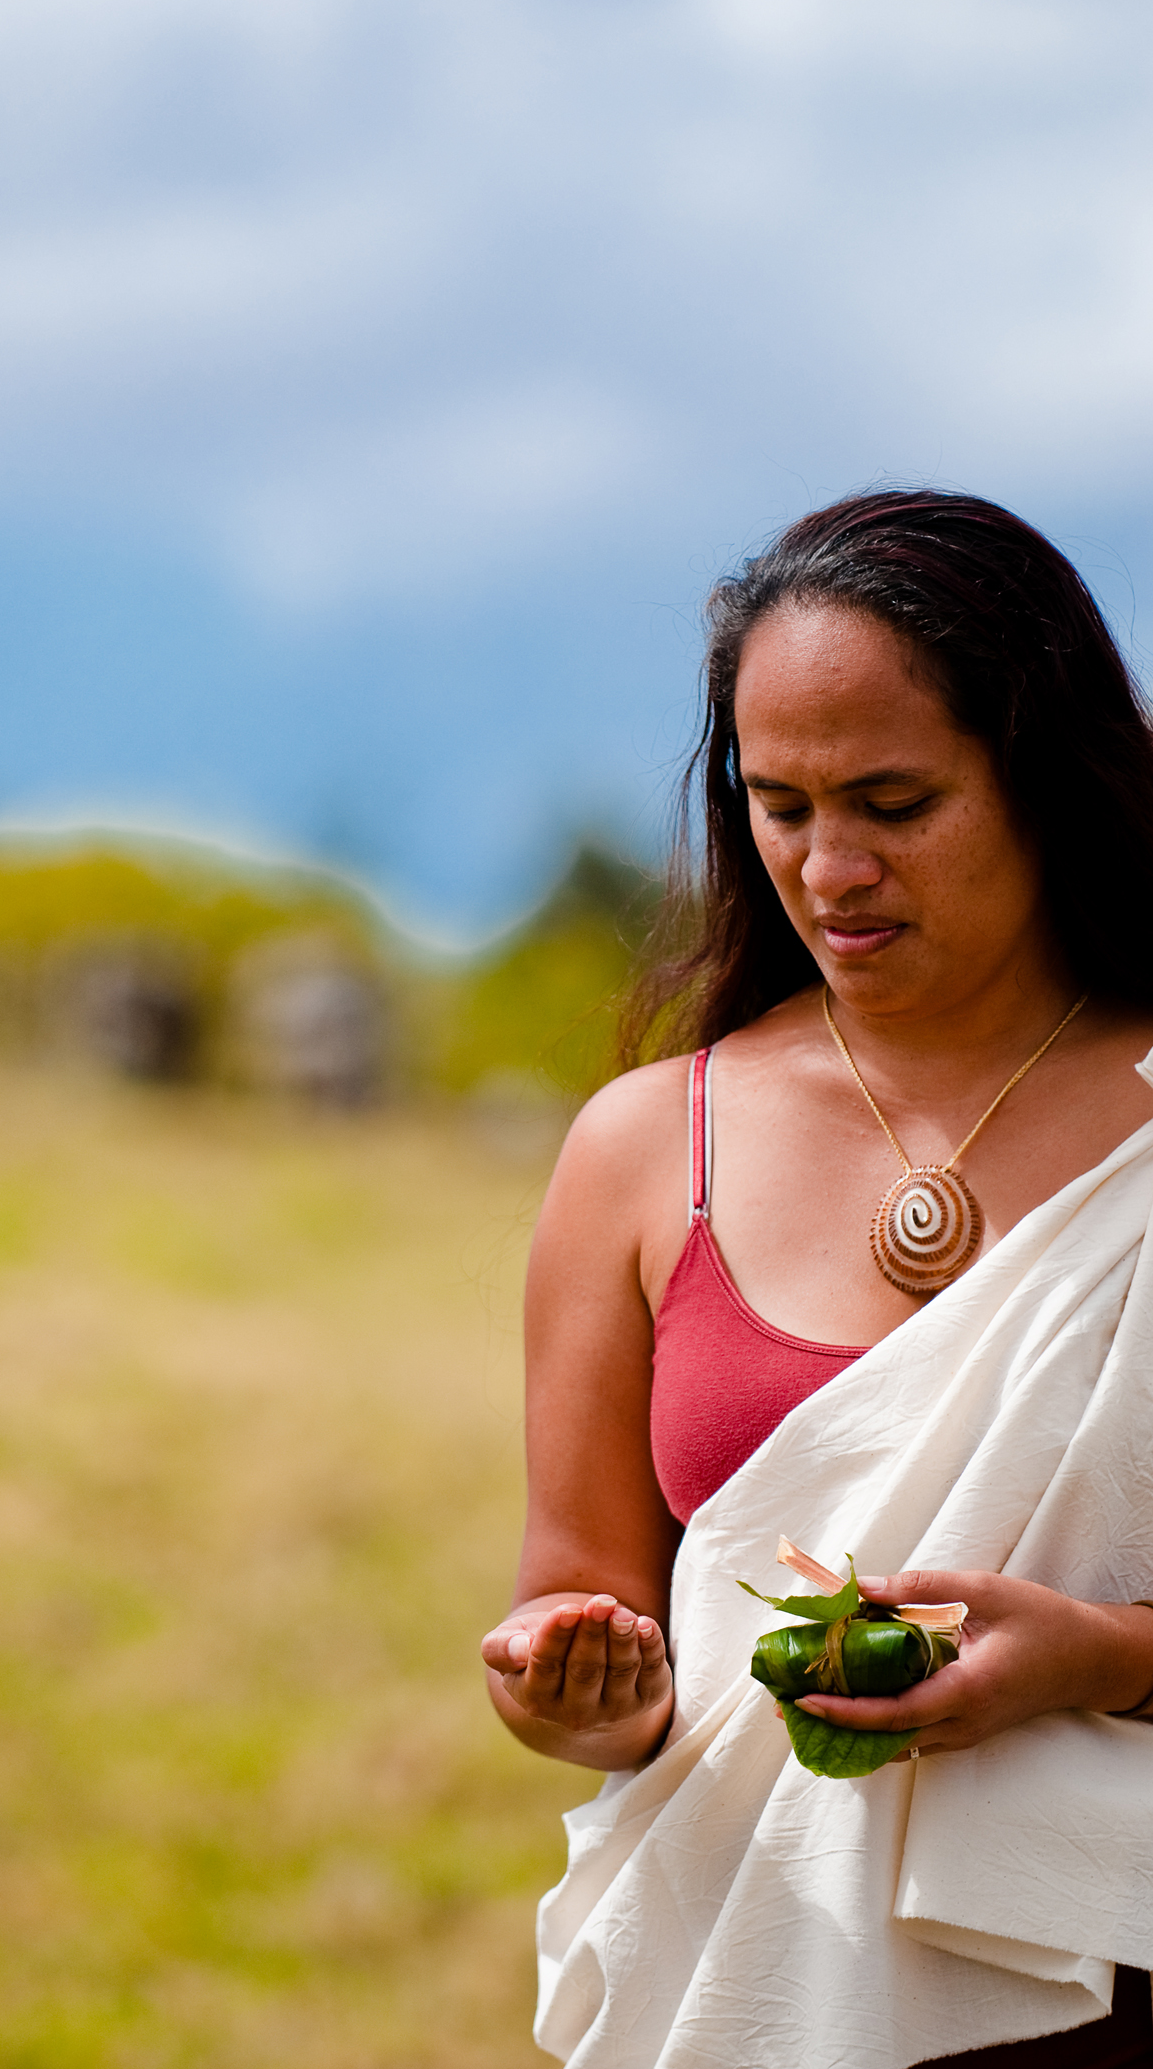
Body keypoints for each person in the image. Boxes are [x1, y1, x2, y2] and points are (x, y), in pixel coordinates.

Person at [481, 490, 1153, 2068]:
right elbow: (580, 1607)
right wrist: (579, 1689)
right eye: (779, 805)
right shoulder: (650, 1148)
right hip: (751, 1982)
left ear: (1045, 781)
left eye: (895, 802)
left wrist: (1109, 1659)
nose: (829, 865)